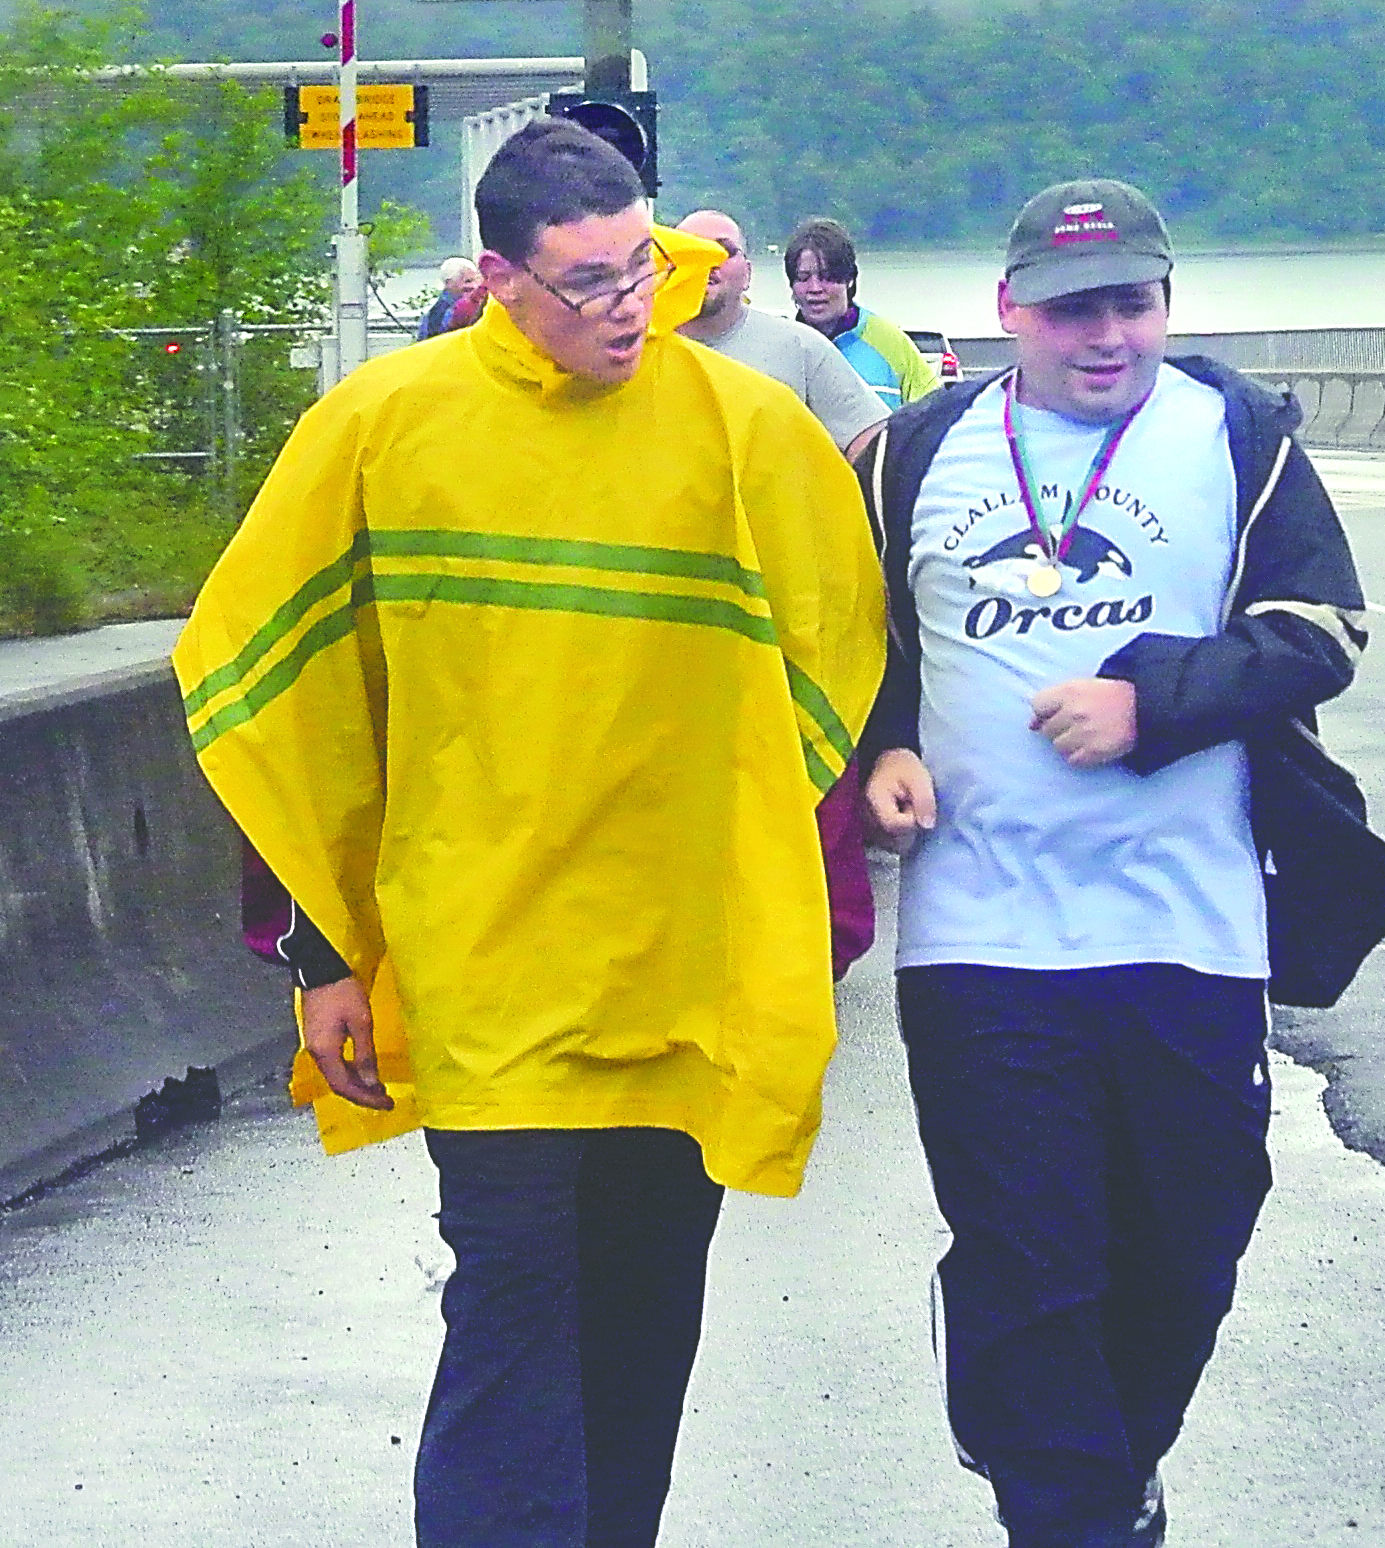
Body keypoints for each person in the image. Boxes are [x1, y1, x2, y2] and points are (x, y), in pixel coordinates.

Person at [172, 117, 885, 1548]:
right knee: (509, 1298)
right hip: (482, 961)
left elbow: (840, 674)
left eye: (646, 269)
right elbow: (284, 702)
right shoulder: (381, 429)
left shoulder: (748, 431)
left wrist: (814, 901)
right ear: (499, 276)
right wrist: (316, 955)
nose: (629, 308)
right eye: (589, 283)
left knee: (642, 1314)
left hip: (680, 958)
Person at [860, 178, 1366, 1548]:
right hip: (981, 936)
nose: (1106, 337)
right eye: (1074, 309)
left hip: (1187, 927)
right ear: (1008, 311)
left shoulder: (1235, 434)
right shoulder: (912, 452)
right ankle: (1065, 1508)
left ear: (1166, 306)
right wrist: (880, 752)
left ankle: (1102, 1467)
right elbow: (855, 652)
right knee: (1029, 1256)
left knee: (1187, 1246)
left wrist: (1156, 702)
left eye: (1131, 305)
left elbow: (1325, 630)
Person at [674, 207, 890, 466]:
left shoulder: (801, 347)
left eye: (724, 251)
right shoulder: (634, 348)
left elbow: (871, 441)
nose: (708, 262)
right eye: (691, 249)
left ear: (748, 273)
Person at [784, 215, 938, 410]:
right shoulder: (783, 347)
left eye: (827, 277)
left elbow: (935, 416)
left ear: (849, 279)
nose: (815, 288)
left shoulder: (890, 343)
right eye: (803, 278)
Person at [417, 256, 484, 338]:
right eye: (468, 281)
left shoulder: (432, 310)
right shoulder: (447, 312)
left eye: (476, 280)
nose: (474, 286)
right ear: (449, 283)